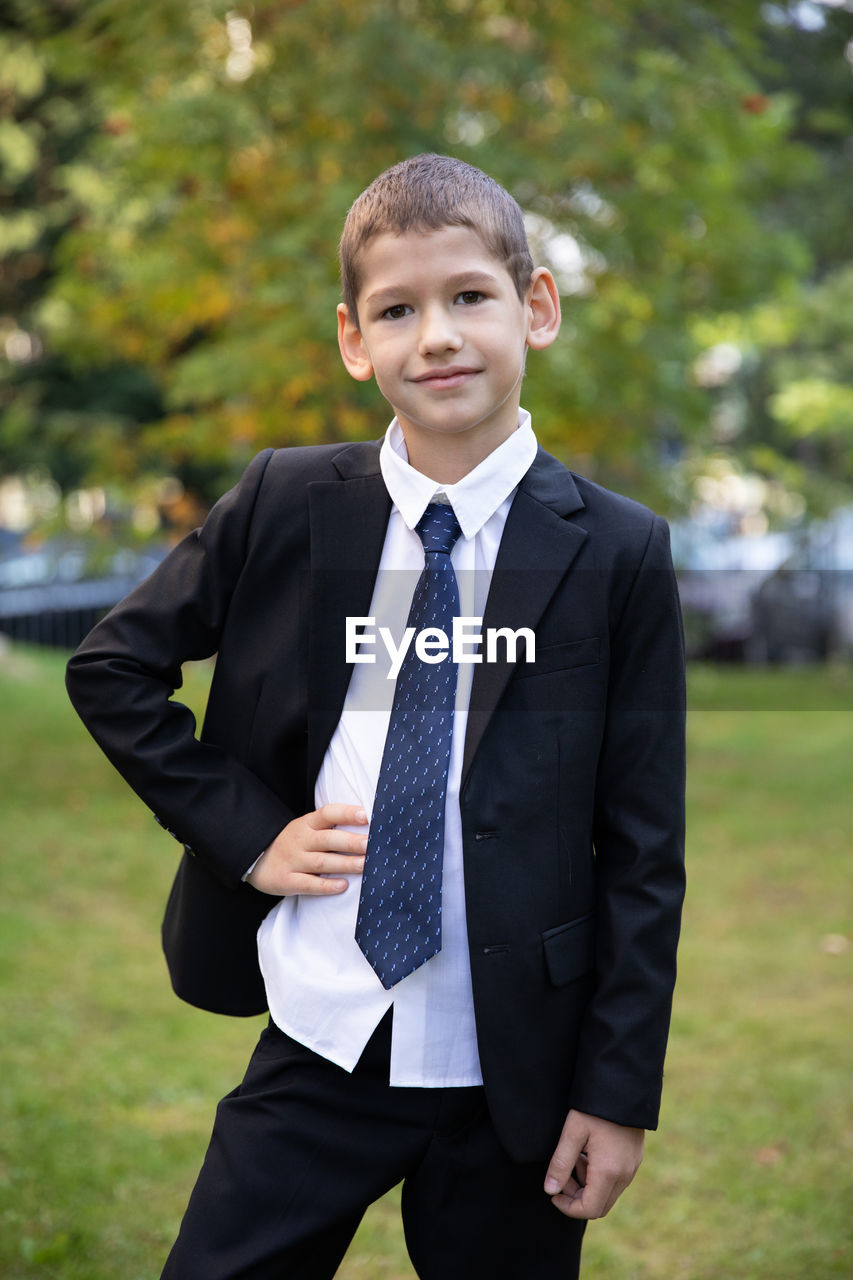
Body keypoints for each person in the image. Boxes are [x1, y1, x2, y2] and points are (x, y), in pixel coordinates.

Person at [66, 153, 686, 1279]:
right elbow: (112, 666)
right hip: (323, 1032)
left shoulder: (620, 550)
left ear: (534, 307)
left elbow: (644, 850)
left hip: (516, 1068)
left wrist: (616, 1090)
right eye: (397, 309)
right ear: (355, 340)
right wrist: (249, 832)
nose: (436, 335)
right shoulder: (286, 500)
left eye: (468, 297)